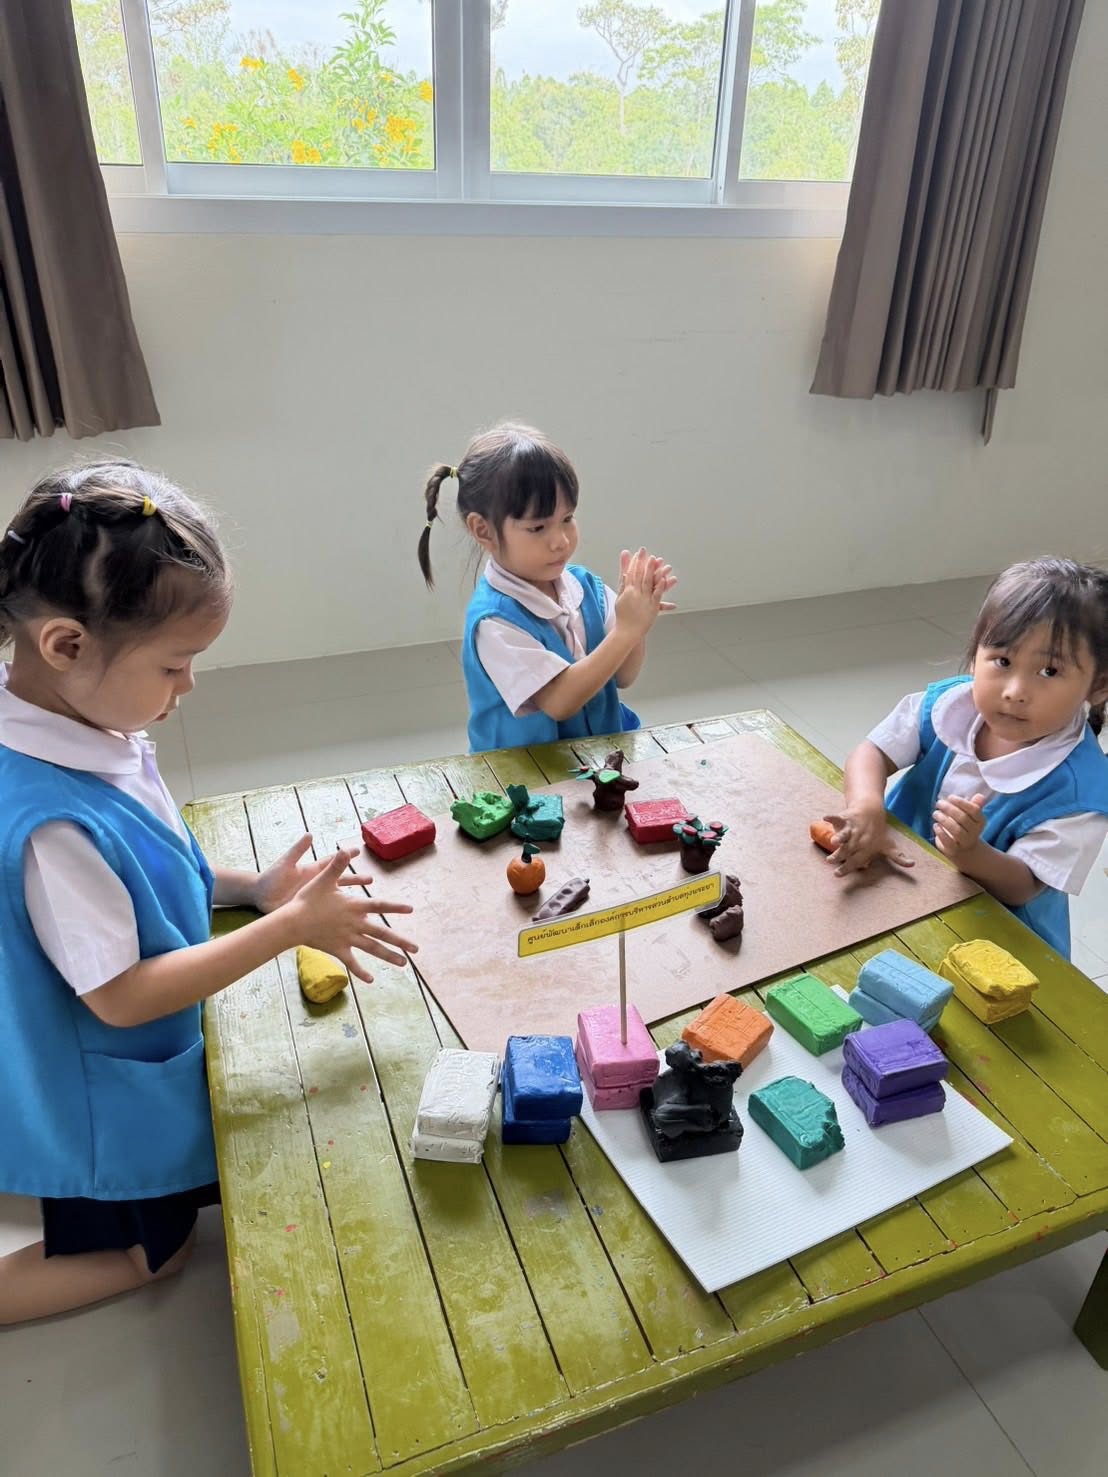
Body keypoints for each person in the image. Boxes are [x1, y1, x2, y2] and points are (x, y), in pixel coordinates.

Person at [0, 461, 416, 1325]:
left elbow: (148, 868)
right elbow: (119, 995)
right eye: (174, 664)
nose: (188, 686)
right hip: (97, 1081)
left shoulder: (92, 720)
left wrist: (252, 887)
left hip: (128, 1049)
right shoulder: (50, 826)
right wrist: (288, 927)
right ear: (65, 645)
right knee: (159, 1251)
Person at [826, 558, 1108, 956]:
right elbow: (872, 752)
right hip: (900, 886)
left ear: (1099, 685)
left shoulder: (1082, 792)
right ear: (976, 655)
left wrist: (971, 854)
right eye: (1003, 661)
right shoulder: (949, 705)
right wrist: (866, 804)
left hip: (995, 938)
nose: (1014, 691)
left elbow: (1025, 886)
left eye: (1049, 671)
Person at [418, 422, 676, 752]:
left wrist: (638, 623)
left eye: (567, 519)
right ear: (483, 530)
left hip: (591, 759)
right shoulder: (495, 622)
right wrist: (626, 631)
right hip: (525, 771)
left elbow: (624, 677)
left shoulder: (586, 587)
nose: (561, 541)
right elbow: (559, 701)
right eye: (538, 527)